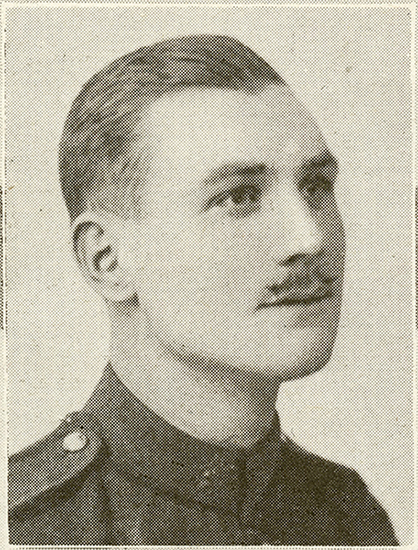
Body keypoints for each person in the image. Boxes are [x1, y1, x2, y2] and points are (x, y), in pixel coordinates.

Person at [8, 34, 398, 546]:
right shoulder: (28, 527)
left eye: (316, 187)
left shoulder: (348, 516)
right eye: (238, 197)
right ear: (108, 259)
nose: (310, 238)